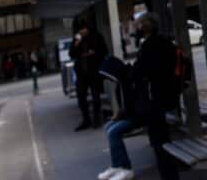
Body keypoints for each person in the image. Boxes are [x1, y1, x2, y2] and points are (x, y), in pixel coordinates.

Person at [97, 12, 181, 180]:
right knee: (160, 141)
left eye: (138, 25)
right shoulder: (163, 43)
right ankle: (168, 174)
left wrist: (131, 71)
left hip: (154, 101)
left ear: (145, 26)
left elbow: (141, 71)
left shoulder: (151, 46)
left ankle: (169, 176)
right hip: (160, 99)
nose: (136, 29)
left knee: (159, 143)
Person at [70, 18, 109, 131]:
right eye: (80, 30)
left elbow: (104, 51)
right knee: (81, 96)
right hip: (82, 73)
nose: (82, 32)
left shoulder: (96, 37)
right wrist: (76, 44)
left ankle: (97, 118)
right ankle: (86, 119)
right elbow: (71, 53)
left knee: (95, 96)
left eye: (84, 29)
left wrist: (94, 53)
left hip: (94, 71)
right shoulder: (78, 39)